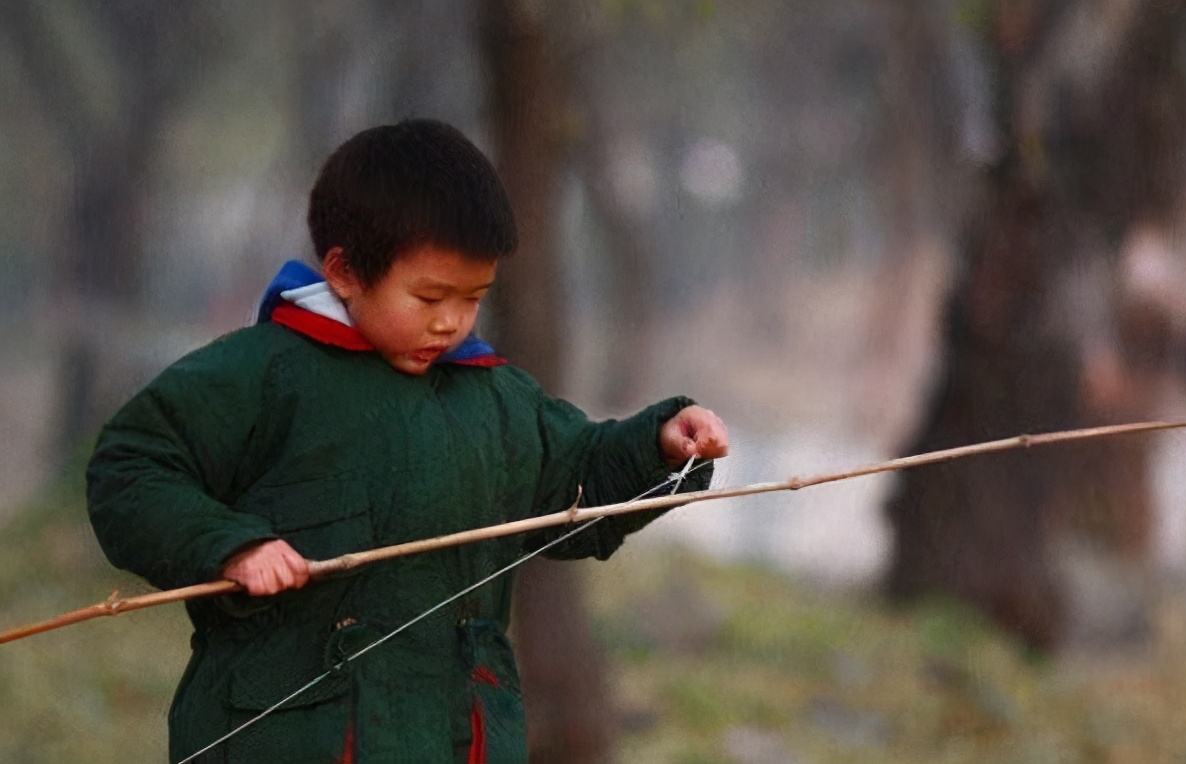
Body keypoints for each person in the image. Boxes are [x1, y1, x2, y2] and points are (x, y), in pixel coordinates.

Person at [86, 119, 728, 763]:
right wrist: (228, 546)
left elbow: (579, 478)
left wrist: (661, 446)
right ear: (344, 271)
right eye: (428, 296)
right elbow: (129, 468)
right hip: (289, 739)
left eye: (473, 298)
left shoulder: (492, 397)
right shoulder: (262, 374)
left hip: (457, 736)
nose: (450, 322)